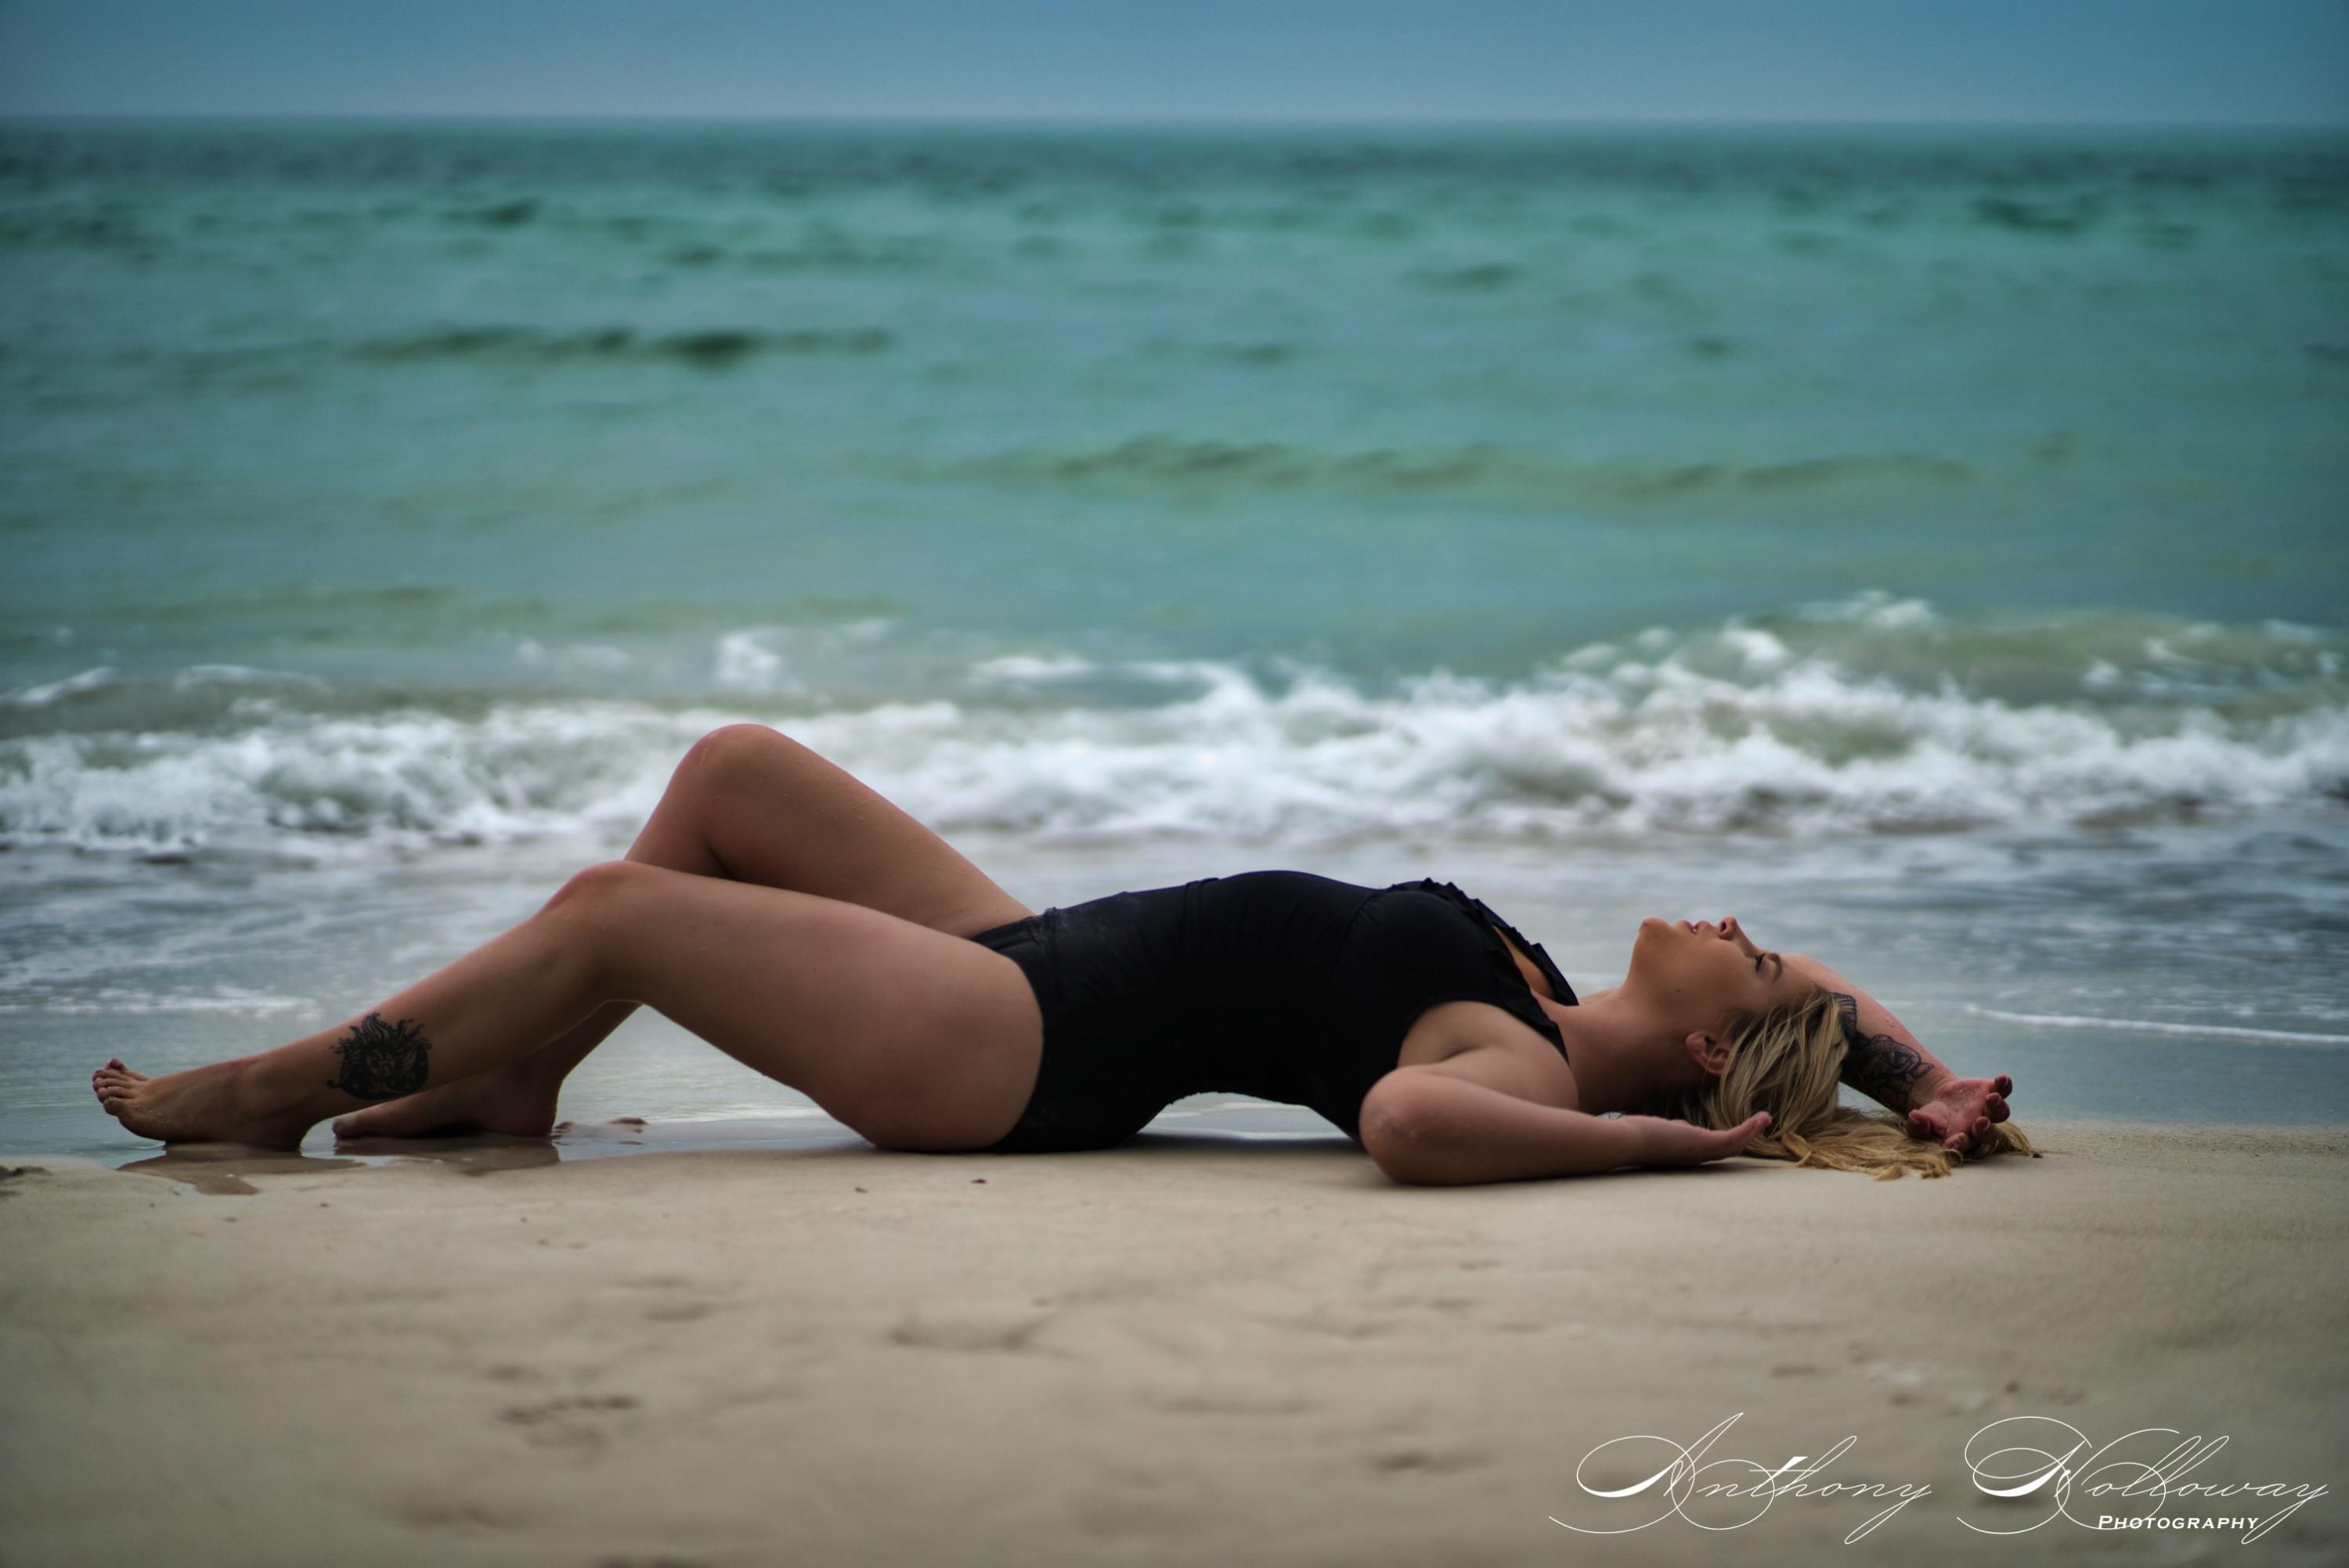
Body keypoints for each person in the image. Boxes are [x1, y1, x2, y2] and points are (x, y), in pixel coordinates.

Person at [90, 723, 2031, 1183]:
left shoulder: (1526, 1067)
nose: (1747, 933)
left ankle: (267, 1098)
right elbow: (1828, 1026)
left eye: (1751, 966)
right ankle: (505, 1081)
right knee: (735, 774)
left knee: (624, 913)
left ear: (1700, 1062)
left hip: (1013, 1053)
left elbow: (1411, 1130)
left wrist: (1676, 1157)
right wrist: (1914, 1079)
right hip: (1043, 954)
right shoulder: (1536, 979)